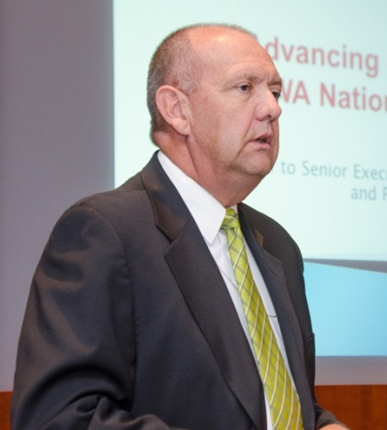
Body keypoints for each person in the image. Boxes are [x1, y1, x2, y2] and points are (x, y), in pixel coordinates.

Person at [11, 24, 348, 430]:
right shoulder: (105, 233)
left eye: (274, 92)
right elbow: (58, 418)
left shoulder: (277, 245)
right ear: (177, 110)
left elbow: (274, 401)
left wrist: (322, 423)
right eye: (245, 87)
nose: (272, 108)